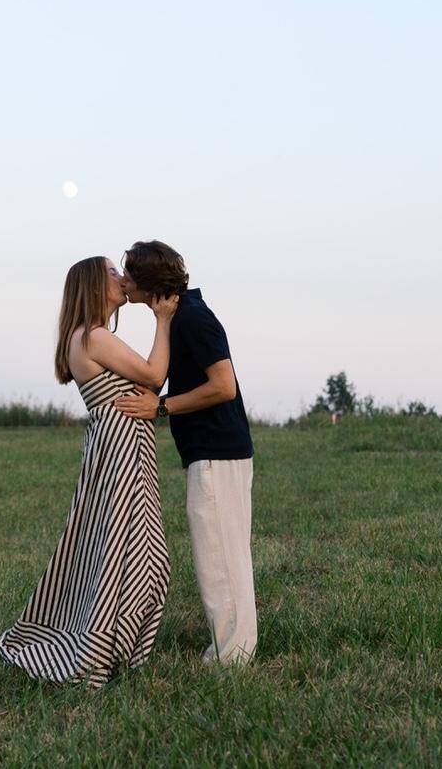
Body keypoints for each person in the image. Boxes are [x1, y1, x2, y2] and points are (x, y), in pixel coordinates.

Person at [0, 256, 177, 689]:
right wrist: (163, 320)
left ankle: (113, 641)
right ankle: (106, 645)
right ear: (95, 285)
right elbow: (154, 375)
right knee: (140, 553)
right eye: (113, 273)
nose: (122, 278)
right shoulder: (94, 336)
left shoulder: (85, 336)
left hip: (118, 445)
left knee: (121, 548)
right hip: (120, 449)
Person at [113, 240, 256, 665]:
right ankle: (235, 649)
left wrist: (161, 407)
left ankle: (232, 659)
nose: (124, 282)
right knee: (223, 553)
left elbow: (223, 386)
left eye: (129, 275)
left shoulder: (193, 318)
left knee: (219, 558)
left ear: (149, 281)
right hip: (213, 450)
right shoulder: (180, 317)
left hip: (216, 451)